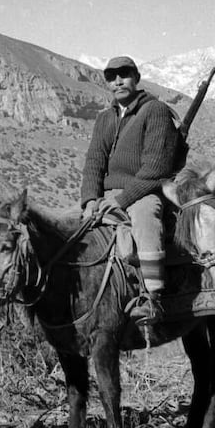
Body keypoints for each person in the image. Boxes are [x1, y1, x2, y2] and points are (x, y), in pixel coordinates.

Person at [81, 56, 179, 326]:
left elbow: (156, 169)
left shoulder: (155, 111)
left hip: (143, 192)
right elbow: (94, 162)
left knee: (146, 219)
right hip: (108, 196)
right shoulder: (104, 119)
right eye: (111, 77)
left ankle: (151, 297)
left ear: (135, 77)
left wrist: (122, 201)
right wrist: (90, 200)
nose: (118, 81)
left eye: (124, 74)